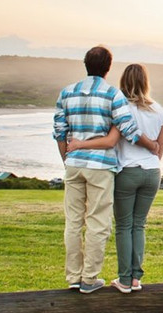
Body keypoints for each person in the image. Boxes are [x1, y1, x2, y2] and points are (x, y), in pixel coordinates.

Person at [68, 63, 163, 293]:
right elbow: (161, 146)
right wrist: (152, 156)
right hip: (152, 172)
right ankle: (136, 279)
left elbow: (113, 138)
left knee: (124, 226)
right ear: (146, 82)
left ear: (123, 81)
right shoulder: (157, 109)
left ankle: (124, 279)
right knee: (139, 225)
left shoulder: (120, 106)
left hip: (127, 171)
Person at [53, 45, 143, 294]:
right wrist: (152, 145)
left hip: (74, 164)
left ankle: (73, 276)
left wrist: (66, 159)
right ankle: (89, 279)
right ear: (108, 67)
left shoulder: (67, 93)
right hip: (100, 166)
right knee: (98, 223)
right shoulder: (112, 94)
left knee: (73, 221)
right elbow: (129, 128)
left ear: (86, 65)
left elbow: (59, 132)